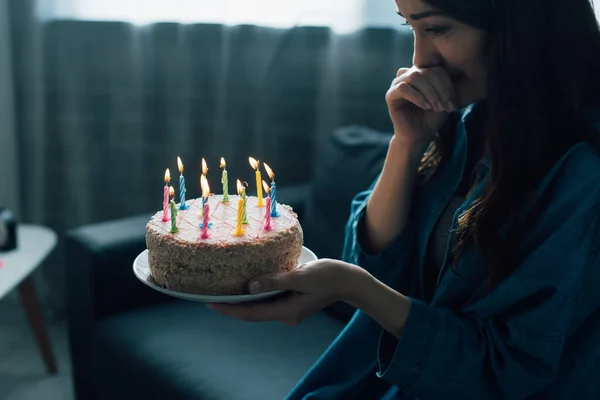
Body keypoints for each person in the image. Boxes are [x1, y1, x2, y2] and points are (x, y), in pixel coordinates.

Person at [207, 0, 600, 398]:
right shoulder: (471, 119)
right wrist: (406, 144)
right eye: (410, 27)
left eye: (437, 29)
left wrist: (356, 288)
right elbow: (370, 259)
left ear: (521, 25)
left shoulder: (585, 172)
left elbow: (507, 370)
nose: (419, 59)